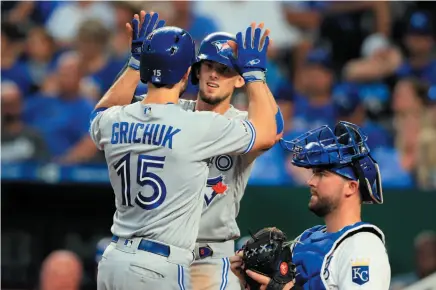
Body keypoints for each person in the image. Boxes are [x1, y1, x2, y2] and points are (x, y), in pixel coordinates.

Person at [90, 11, 277, 290]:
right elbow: (267, 132)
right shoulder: (194, 125)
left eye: (224, 69)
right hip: (160, 262)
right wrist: (255, 74)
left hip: (116, 258)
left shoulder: (119, 117)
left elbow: (101, 112)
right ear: (191, 72)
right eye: (208, 66)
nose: (214, 74)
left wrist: (134, 63)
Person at [230, 121, 391, 289]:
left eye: (322, 174)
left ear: (351, 187)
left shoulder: (362, 246)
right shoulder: (306, 239)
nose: (311, 181)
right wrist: (250, 282)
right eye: (314, 173)